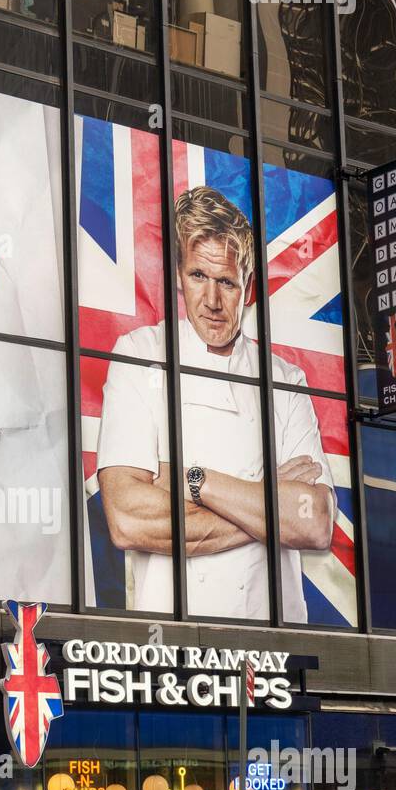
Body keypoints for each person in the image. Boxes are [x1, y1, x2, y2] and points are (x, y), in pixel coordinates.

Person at [96, 185, 335, 622]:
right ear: (178, 275)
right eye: (198, 277)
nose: (211, 301)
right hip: (174, 644)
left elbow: (315, 521)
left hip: (276, 640)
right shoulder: (141, 356)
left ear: (248, 288)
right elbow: (127, 518)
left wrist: (194, 480)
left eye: (226, 281)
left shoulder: (283, 380)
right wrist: (268, 503)